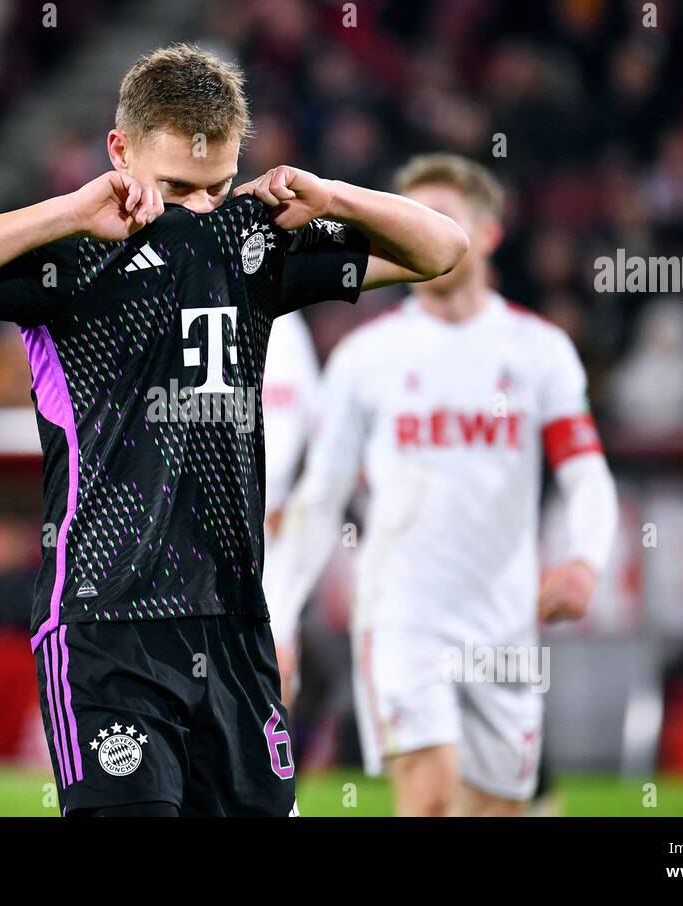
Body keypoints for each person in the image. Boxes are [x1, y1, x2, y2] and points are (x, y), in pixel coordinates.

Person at [0, 44, 467, 816]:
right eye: (178, 187)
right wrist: (65, 210)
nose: (198, 210)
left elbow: (444, 249)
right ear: (120, 150)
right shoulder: (72, 249)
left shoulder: (251, 243)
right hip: (104, 622)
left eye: (218, 186)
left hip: (232, 625)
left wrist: (335, 199)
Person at [265, 153, 618, 817]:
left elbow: (585, 471)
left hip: (505, 620)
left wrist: (583, 560)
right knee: (427, 800)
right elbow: (319, 500)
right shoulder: (365, 358)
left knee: (498, 808)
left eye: (444, 220)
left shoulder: (538, 350)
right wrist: (280, 618)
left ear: (488, 234)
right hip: (401, 615)